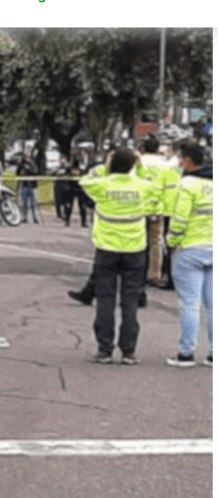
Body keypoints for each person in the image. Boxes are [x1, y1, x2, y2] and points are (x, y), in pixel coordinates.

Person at [78, 148, 161, 365]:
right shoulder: (142, 186)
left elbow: (85, 181)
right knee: (130, 301)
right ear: (133, 164)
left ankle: (104, 350)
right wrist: (140, 167)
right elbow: (155, 187)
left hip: (107, 248)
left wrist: (106, 167)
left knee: (105, 299)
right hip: (134, 248)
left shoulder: (103, 185)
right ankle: (128, 351)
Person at [165, 144, 212, 368]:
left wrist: (171, 243)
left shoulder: (188, 185)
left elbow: (179, 220)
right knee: (213, 305)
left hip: (190, 249)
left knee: (190, 304)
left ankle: (186, 353)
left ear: (187, 161)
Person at [139, 136, 182, 287]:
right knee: (156, 242)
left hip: (139, 206)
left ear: (143, 148)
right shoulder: (165, 164)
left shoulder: (138, 162)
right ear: (158, 149)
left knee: (140, 241)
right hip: (158, 207)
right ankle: (155, 273)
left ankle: (139, 271)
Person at [17, 153, 41, 224]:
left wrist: (28, 168)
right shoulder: (22, 165)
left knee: (33, 203)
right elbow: (17, 173)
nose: (26, 158)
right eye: (25, 157)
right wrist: (21, 166)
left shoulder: (33, 164)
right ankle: (24, 217)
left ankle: (35, 218)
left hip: (33, 186)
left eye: (28, 157)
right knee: (24, 203)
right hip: (25, 185)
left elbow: (35, 172)